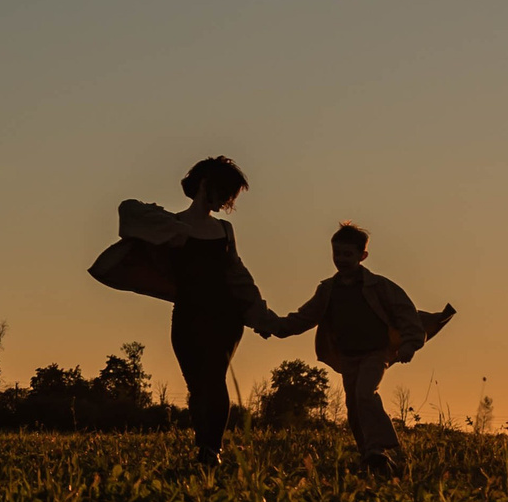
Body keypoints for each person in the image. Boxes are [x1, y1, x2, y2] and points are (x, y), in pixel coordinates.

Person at [116, 156, 279, 466]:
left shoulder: (225, 230)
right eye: (226, 192)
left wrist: (260, 315)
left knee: (214, 377)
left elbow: (239, 276)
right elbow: (127, 211)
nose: (228, 201)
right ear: (206, 185)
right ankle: (203, 444)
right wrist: (169, 225)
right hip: (187, 315)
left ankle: (211, 450)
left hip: (225, 317)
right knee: (195, 385)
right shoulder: (170, 226)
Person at [262, 222, 455, 472]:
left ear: (362, 256)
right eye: (337, 254)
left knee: (365, 394)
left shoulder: (380, 286)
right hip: (348, 356)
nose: (341, 259)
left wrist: (410, 344)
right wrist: (276, 326)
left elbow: (405, 314)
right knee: (353, 405)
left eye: (347, 254)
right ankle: (370, 456)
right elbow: (305, 317)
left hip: (376, 352)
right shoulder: (328, 290)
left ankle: (379, 447)